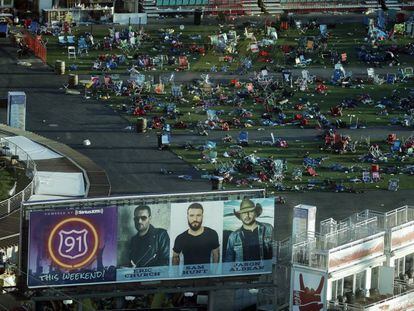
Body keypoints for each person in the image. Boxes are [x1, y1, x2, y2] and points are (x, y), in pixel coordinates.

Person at [224, 198, 273, 262]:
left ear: (255, 213)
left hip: (264, 270)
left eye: (250, 211)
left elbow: (274, 252)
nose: (247, 215)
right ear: (240, 216)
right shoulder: (233, 236)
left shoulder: (268, 228)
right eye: (243, 213)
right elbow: (229, 260)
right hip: (241, 271)